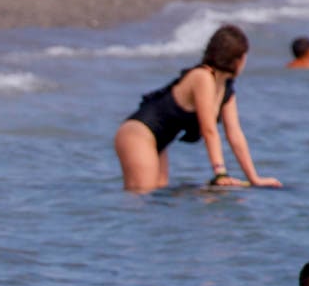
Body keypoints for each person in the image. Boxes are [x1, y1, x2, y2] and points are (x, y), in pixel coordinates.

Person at [113, 24, 281, 194]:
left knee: (157, 197)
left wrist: (254, 179)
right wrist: (220, 173)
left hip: (159, 142)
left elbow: (235, 135)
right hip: (138, 134)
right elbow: (209, 129)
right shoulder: (202, 77)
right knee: (141, 194)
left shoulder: (226, 88)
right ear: (239, 59)